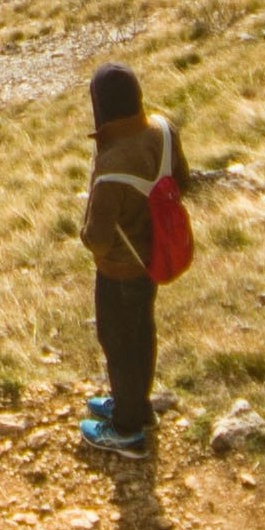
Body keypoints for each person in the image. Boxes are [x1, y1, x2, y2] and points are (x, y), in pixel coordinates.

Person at [75, 61, 181, 455]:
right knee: (141, 333)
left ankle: (127, 429)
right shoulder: (162, 129)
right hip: (154, 254)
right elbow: (180, 179)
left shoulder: (112, 165)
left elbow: (98, 240)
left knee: (117, 341)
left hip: (119, 267)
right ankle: (136, 404)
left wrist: (84, 235)